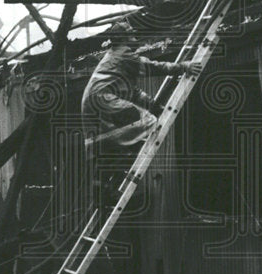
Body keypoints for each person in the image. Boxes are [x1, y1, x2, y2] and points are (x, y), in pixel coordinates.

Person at [81, 19, 200, 209]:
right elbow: (152, 66)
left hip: (92, 102)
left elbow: (133, 91)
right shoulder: (124, 53)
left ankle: (102, 194)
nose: (134, 38)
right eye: (131, 34)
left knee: (107, 146)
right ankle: (130, 158)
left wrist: (153, 105)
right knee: (150, 124)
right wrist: (183, 67)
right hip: (104, 99)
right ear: (124, 39)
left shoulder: (114, 56)